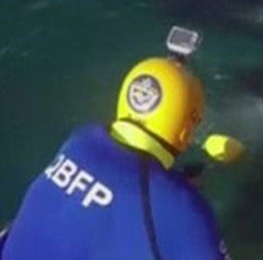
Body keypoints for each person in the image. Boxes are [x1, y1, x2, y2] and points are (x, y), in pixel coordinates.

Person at [0, 56, 231, 259]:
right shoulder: (181, 206)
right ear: (185, 130)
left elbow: (117, 194)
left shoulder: (81, 140)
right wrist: (182, 199)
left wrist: (174, 188)